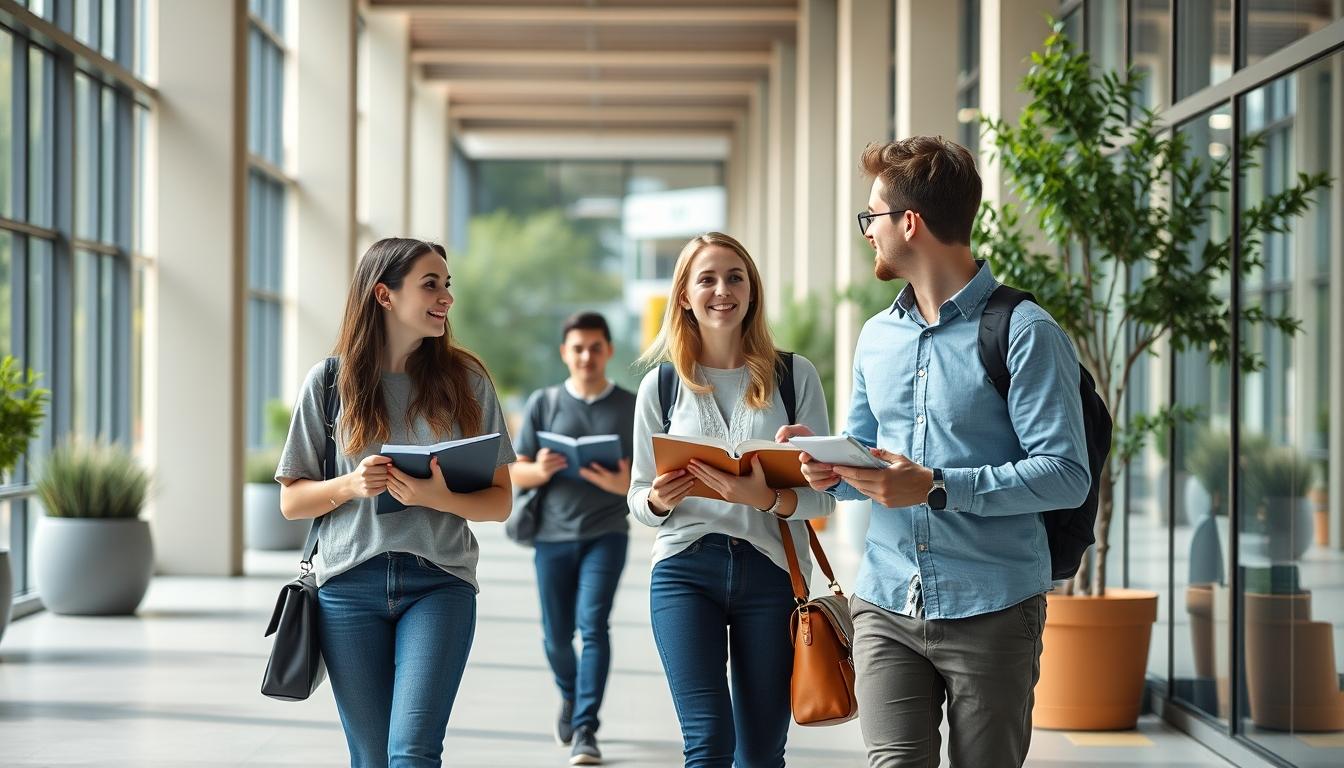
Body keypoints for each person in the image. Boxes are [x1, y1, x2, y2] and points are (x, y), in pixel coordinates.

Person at [780, 136, 1090, 768]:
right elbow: (865, 464)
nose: (867, 231)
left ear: (910, 223)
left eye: (873, 216)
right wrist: (825, 464)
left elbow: (1065, 475)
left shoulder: (1027, 333)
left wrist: (938, 485)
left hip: (994, 607)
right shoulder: (876, 337)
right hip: (886, 602)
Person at [275, 237, 516, 768]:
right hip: (347, 587)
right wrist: (349, 486)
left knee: (412, 751)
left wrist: (438, 495)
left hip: (440, 583)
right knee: (370, 757)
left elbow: (499, 502)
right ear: (384, 295)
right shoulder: (331, 382)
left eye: (447, 285)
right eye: (430, 284)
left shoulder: (468, 381)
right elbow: (293, 502)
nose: (446, 297)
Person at [627, 232, 835, 768]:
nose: (723, 290)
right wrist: (656, 500)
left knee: (762, 752)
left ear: (752, 290)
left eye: (735, 277)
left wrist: (764, 498)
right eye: (708, 279)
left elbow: (824, 500)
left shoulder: (795, 375)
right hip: (683, 572)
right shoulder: (662, 386)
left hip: (771, 574)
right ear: (685, 296)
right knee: (708, 743)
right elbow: (637, 497)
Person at [510, 311, 637, 766]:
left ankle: (586, 727)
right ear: (565, 353)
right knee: (555, 637)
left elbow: (646, 480)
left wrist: (619, 483)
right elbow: (513, 470)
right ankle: (570, 694)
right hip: (552, 536)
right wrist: (539, 470)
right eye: (578, 348)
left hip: (606, 533)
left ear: (609, 351)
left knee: (593, 625)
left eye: (595, 347)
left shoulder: (631, 405)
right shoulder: (543, 403)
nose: (586, 356)